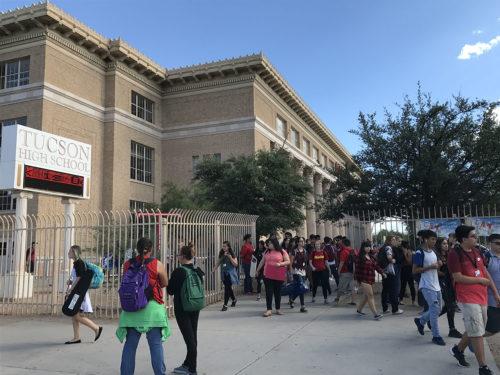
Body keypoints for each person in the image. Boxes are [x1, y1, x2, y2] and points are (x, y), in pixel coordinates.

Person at [448, 226, 500, 375]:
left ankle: (457, 350)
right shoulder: (454, 254)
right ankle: (483, 367)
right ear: (464, 239)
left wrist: (495, 293)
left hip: (481, 296)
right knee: (477, 332)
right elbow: (457, 277)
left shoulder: (477, 251)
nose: (476, 238)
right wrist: (479, 280)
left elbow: (485, 273)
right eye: (473, 236)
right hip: (467, 297)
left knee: (476, 329)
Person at [117, 238, 170, 375]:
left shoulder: (127, 264)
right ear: (151, 249)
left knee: (130, 346)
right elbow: (164, 283)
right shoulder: (157, 264)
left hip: (132, 310)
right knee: (156, 345)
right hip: (152, 310)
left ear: (137, 249)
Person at [168, 245, 205, 375]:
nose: (178, 256)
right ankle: (187, 363)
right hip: (195, 305)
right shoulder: (198, 270)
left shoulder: (179, 271)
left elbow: (170, 290)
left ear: (183, 256)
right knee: (193, 336)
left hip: (182, 307)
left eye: (179, 254)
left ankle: (192, 369)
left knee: (189, 339)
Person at [412, 230, 446, 346]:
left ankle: (420, 321)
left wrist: (439, 264)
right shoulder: (419, 253)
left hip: (436, 284)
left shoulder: (434, 252)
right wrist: (430, 266)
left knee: (439, 308)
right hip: (426, 285)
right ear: (425, 239)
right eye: (432, 239)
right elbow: (415, 270)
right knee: (435, 308)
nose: (434, 241)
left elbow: (436, 267)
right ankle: (436, 336)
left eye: (435, 239)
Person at [64, 245, 103, 344]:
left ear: (75, 252)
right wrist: (70, 281)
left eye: (70, 251)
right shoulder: (77, 263)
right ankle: (76, 337)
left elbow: (79, 277)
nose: (69, 253)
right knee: (74, 314)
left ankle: (96, 328)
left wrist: (70, 289)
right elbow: (77, 276)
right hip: (77, 293)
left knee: (76, 315)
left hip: (77, 294)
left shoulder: (79, 263)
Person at [255, 238, 290, 317]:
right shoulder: (267, 251)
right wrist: (257, 270)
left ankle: (278, 308)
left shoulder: (282, 251)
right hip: (267, 274)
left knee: (277, 292)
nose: (268, 245)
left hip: (278, 274)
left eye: (270, 243)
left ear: (274, 244)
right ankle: (269, 309)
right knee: (269, 292)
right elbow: (262, 261)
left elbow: (288, 261)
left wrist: (280, 264)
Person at [436, 237, 462, 338]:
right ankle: (452, 329)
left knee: (449, 306)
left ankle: (427, 319)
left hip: (450, 282)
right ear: (439, 245)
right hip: (442, 282)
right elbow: (436, 271)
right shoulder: (436, 255)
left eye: (446, 243)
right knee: (450, 305)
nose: (446, 245)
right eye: (443, 244)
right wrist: (446, 274)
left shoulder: (449, 254)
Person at [355, 241, 384, 320]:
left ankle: (359, 310)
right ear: (363, 248)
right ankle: (375, 314)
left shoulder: (370, 256)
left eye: (369, 246)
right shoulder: (359, 257)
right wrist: (358, 280)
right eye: (366, 247)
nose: (368, 248)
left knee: (366, 296)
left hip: (370, 278)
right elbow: (357, 270)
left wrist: (382, 272)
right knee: (370, 295)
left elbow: (376, 266)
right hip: (363, 279)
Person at [379, 236, 403, 314]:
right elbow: (389, 257)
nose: (394, 241)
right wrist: (393, 260)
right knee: (394, 290)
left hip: (385, 271)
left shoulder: (383, 247)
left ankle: (385, 308)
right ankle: (395, 309)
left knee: (385, 290)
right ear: (389, 240)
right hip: (391, 271)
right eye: (393, 239)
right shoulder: (389, 247)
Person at [212, 241, 238, 311]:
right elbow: (219, 262)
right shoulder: (222, 254)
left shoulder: (232, 254)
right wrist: (214, 269)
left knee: (227, 288)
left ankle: (225, 305)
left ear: (228, 247)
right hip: (224, 274)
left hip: (230, 274)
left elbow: (236, 264)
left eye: (225, 246)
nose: (223, 247)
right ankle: (234, 299)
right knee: (228, 288)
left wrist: (230, 258)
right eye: (223, 246)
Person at [485, 233, 500, 337]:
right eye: (498, 243)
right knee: (492, 329)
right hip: (491, 299)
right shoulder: (486, 258)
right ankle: (470, 342)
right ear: (490, 244)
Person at [288, 237, 308, 312]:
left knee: (299, 288)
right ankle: (302, 306)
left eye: (303, 241)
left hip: (303, 271)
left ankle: (292, 299)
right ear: (297, 242)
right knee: (301, 287)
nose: (302, 243)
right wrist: (290, 272)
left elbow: (306, 262)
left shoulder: (305, 251)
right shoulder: (294, 251)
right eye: (300, 241)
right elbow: (291, 262)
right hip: (296, 271)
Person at [335, 238, 356, 305]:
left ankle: (337, 298)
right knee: (352, 287)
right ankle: (353, 301)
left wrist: (338, 271)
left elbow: (342, 262)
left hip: (345, 272)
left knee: (341, 286)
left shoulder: (344, 252)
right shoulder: (353, 251)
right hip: (352, 271)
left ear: (343, 244)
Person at [399, 241, 416, 305]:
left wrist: (405, 254)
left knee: (411, 285)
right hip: (404, 270)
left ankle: (413, 300)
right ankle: (401, 300)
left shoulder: (409, 251)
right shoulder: (403, 251)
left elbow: (409, 262)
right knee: (403, 285)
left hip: (408, 269)